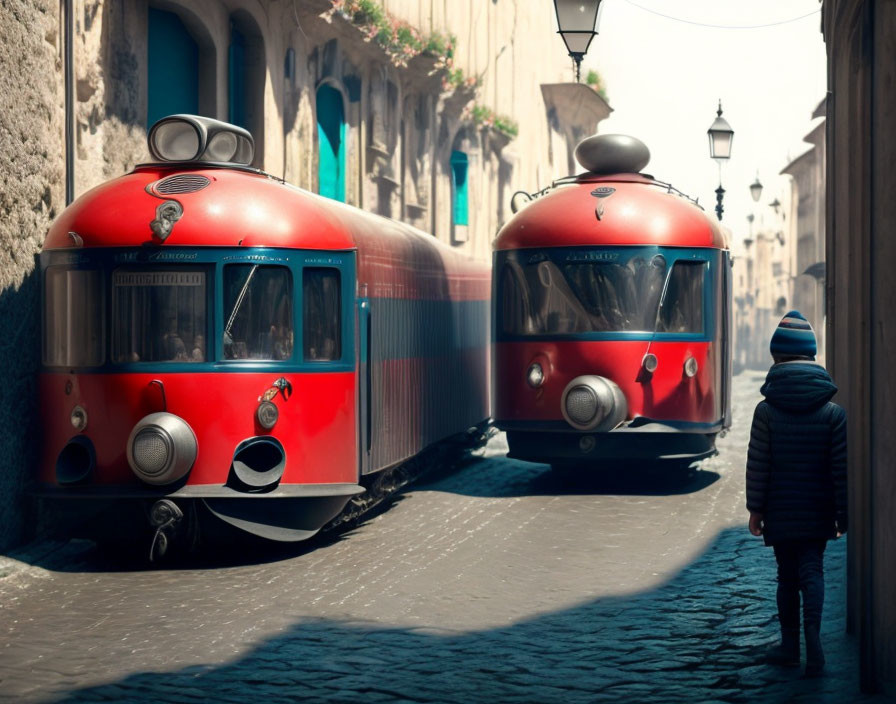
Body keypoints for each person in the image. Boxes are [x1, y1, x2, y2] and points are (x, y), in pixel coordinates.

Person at [746, 310, 847, 678]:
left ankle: (790, 647)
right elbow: (840, 471)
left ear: (776, 358)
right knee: (813, 572)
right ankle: (814, 645)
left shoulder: (766, 412)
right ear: (812, 357)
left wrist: (756, 510)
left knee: (787, 578)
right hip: (818, 513)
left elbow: (758, 465)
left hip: (781, 513)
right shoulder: (834, 414)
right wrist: (843, 514)